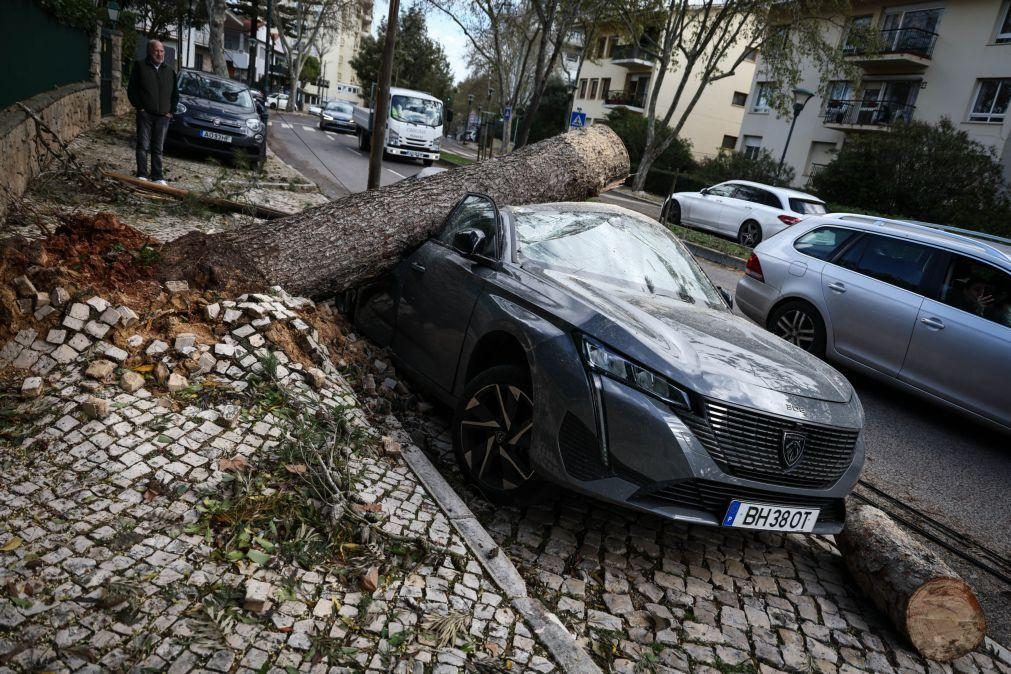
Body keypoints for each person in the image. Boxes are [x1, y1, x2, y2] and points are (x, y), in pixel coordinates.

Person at [127, 40, 178, 185]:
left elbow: (175, 94)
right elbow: (132, 89)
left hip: (163, 116)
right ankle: (142, 173)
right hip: (146, 114)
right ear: (150, 51)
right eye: (156, 51)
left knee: (158, 147)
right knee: (143, 144)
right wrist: (140, 107)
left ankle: (158, 176)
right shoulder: (140, 66)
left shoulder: (169, 71)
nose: (160, 54)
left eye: (162, 51)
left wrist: (171, 111)